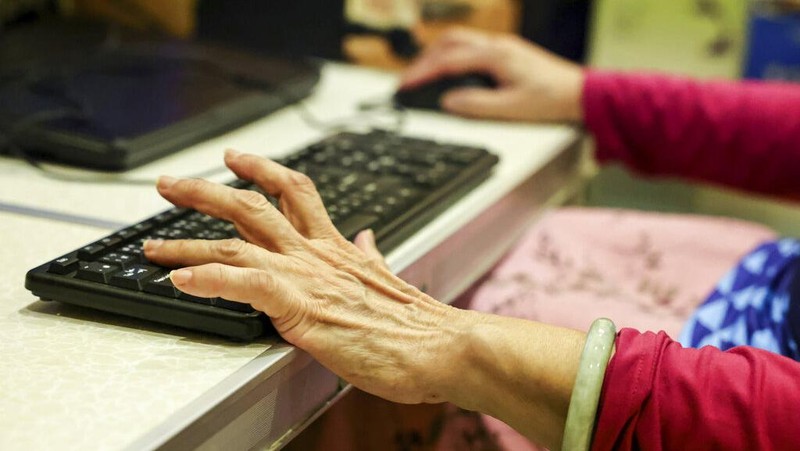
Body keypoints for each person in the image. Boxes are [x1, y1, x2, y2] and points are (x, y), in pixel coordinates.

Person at [142, 28, 800, 450]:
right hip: (761, 290)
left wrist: (450, 347)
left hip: (732, 404)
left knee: (350, 388)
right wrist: (594, 97)